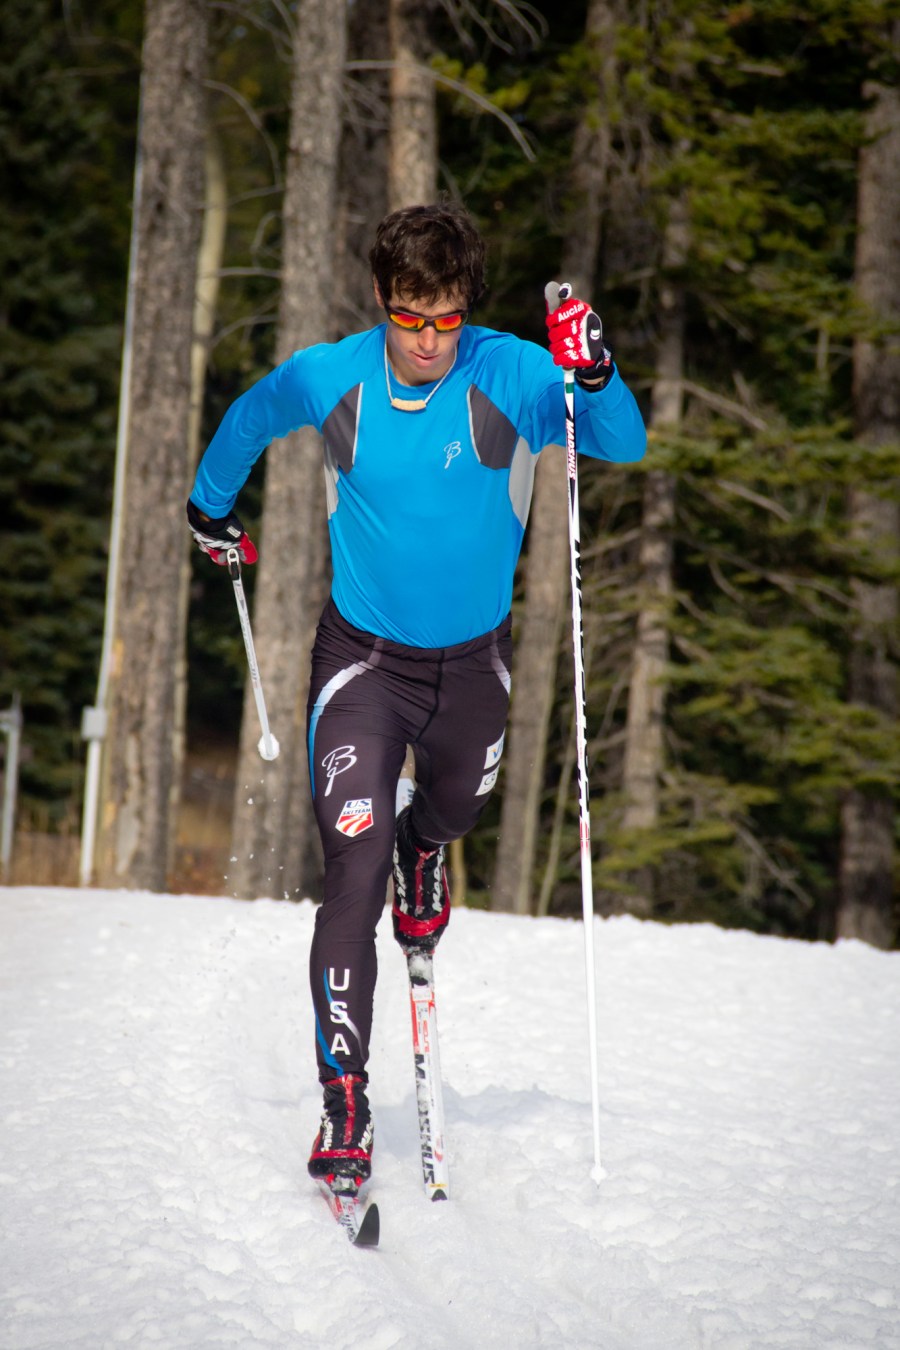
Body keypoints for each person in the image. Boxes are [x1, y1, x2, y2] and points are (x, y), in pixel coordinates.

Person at [187, 201, 646, 1193]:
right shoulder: (335, 374)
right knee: (350, 867)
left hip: (472, 669)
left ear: (465, 309)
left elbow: (623, 444)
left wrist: (597, 372)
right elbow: (252, 413)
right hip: (362, 666)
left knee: (453, 809)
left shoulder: (509, 371)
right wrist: (207, 506)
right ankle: (344, 1106)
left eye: (444, 317)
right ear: (384, 305)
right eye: (409, 316)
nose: (428, 340)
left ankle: (427, 849)